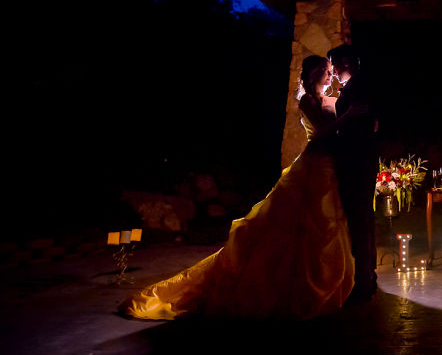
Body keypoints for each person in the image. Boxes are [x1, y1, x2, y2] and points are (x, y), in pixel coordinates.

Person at [118, 56, 361, 320]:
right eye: (324, 70)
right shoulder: (307, 101)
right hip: (315, 164)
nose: (329, 74)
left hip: (330, 164)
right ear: (312, 74)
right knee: (303, 224)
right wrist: (350, 115)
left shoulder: (332, 98)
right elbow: (325, 132)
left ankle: (324, 279)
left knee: (327, 224)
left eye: (329, 70)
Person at [327, 44, 379, 302]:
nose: (333, 70)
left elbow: (360, 121)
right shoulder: (356, 85)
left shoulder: (358, 86)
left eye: (334, 64)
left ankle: (363, 281)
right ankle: (367, 275)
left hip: (357, 160)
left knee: (359, 218)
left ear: (345, 62)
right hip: (360, 158)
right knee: (362, 217)